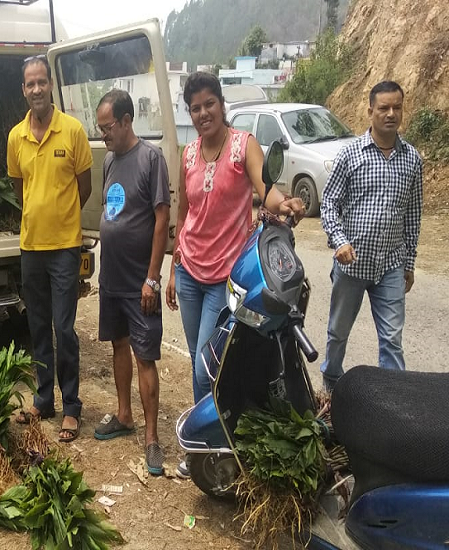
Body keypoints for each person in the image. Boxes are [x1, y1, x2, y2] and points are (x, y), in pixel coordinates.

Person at [165, 72, 304, 477]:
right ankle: (204, 451)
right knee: (198, 359)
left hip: (225, 279)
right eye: (195, 107)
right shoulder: (188, 154)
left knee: (206, 366)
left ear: (221, 105)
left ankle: (215, 445)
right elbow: (183, 213)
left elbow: (267, 188)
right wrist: (173, 270)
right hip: (190, 271)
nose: (203, 112)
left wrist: (284, 203)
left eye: (209, 103)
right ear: (188, 113)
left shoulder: (244, 146)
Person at [7, 55, 92, 443]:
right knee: (37, 326)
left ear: (50, 85)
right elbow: (18, 189)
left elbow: (84, 186)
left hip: (64, 248)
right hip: (31, 247)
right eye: (30, 84)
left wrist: (63, 217)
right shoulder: (15, 137)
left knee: (65, 328)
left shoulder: (72, 131)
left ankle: (71, 406)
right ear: (23, 89)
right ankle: (44, 400)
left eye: (42, 81)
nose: (37, 89)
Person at [319, 80, 422, 391]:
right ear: (370, 112)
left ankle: (392, 399)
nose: (390, 114)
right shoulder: (350, 154)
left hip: (390, 264)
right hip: (352, 266)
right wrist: (339, 241)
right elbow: (328, 203)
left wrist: (410, 262)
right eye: (383, 108)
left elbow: (413, 215)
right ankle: (332, 387)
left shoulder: (412, 160)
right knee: (338, 333)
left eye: (396, 107)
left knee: (392, 339)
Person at [91, 90, 170, 475]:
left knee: (145, 356)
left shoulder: (150, 159)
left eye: (107, 127)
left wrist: (152, 279)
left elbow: (160, 220)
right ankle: (124, 416)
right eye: (100, 127)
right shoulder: (109, 161)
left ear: (126, 121)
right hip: (112, 279)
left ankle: (152, 439)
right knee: (118, 345)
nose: (103, 134)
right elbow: (111, 210)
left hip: (140, 282)